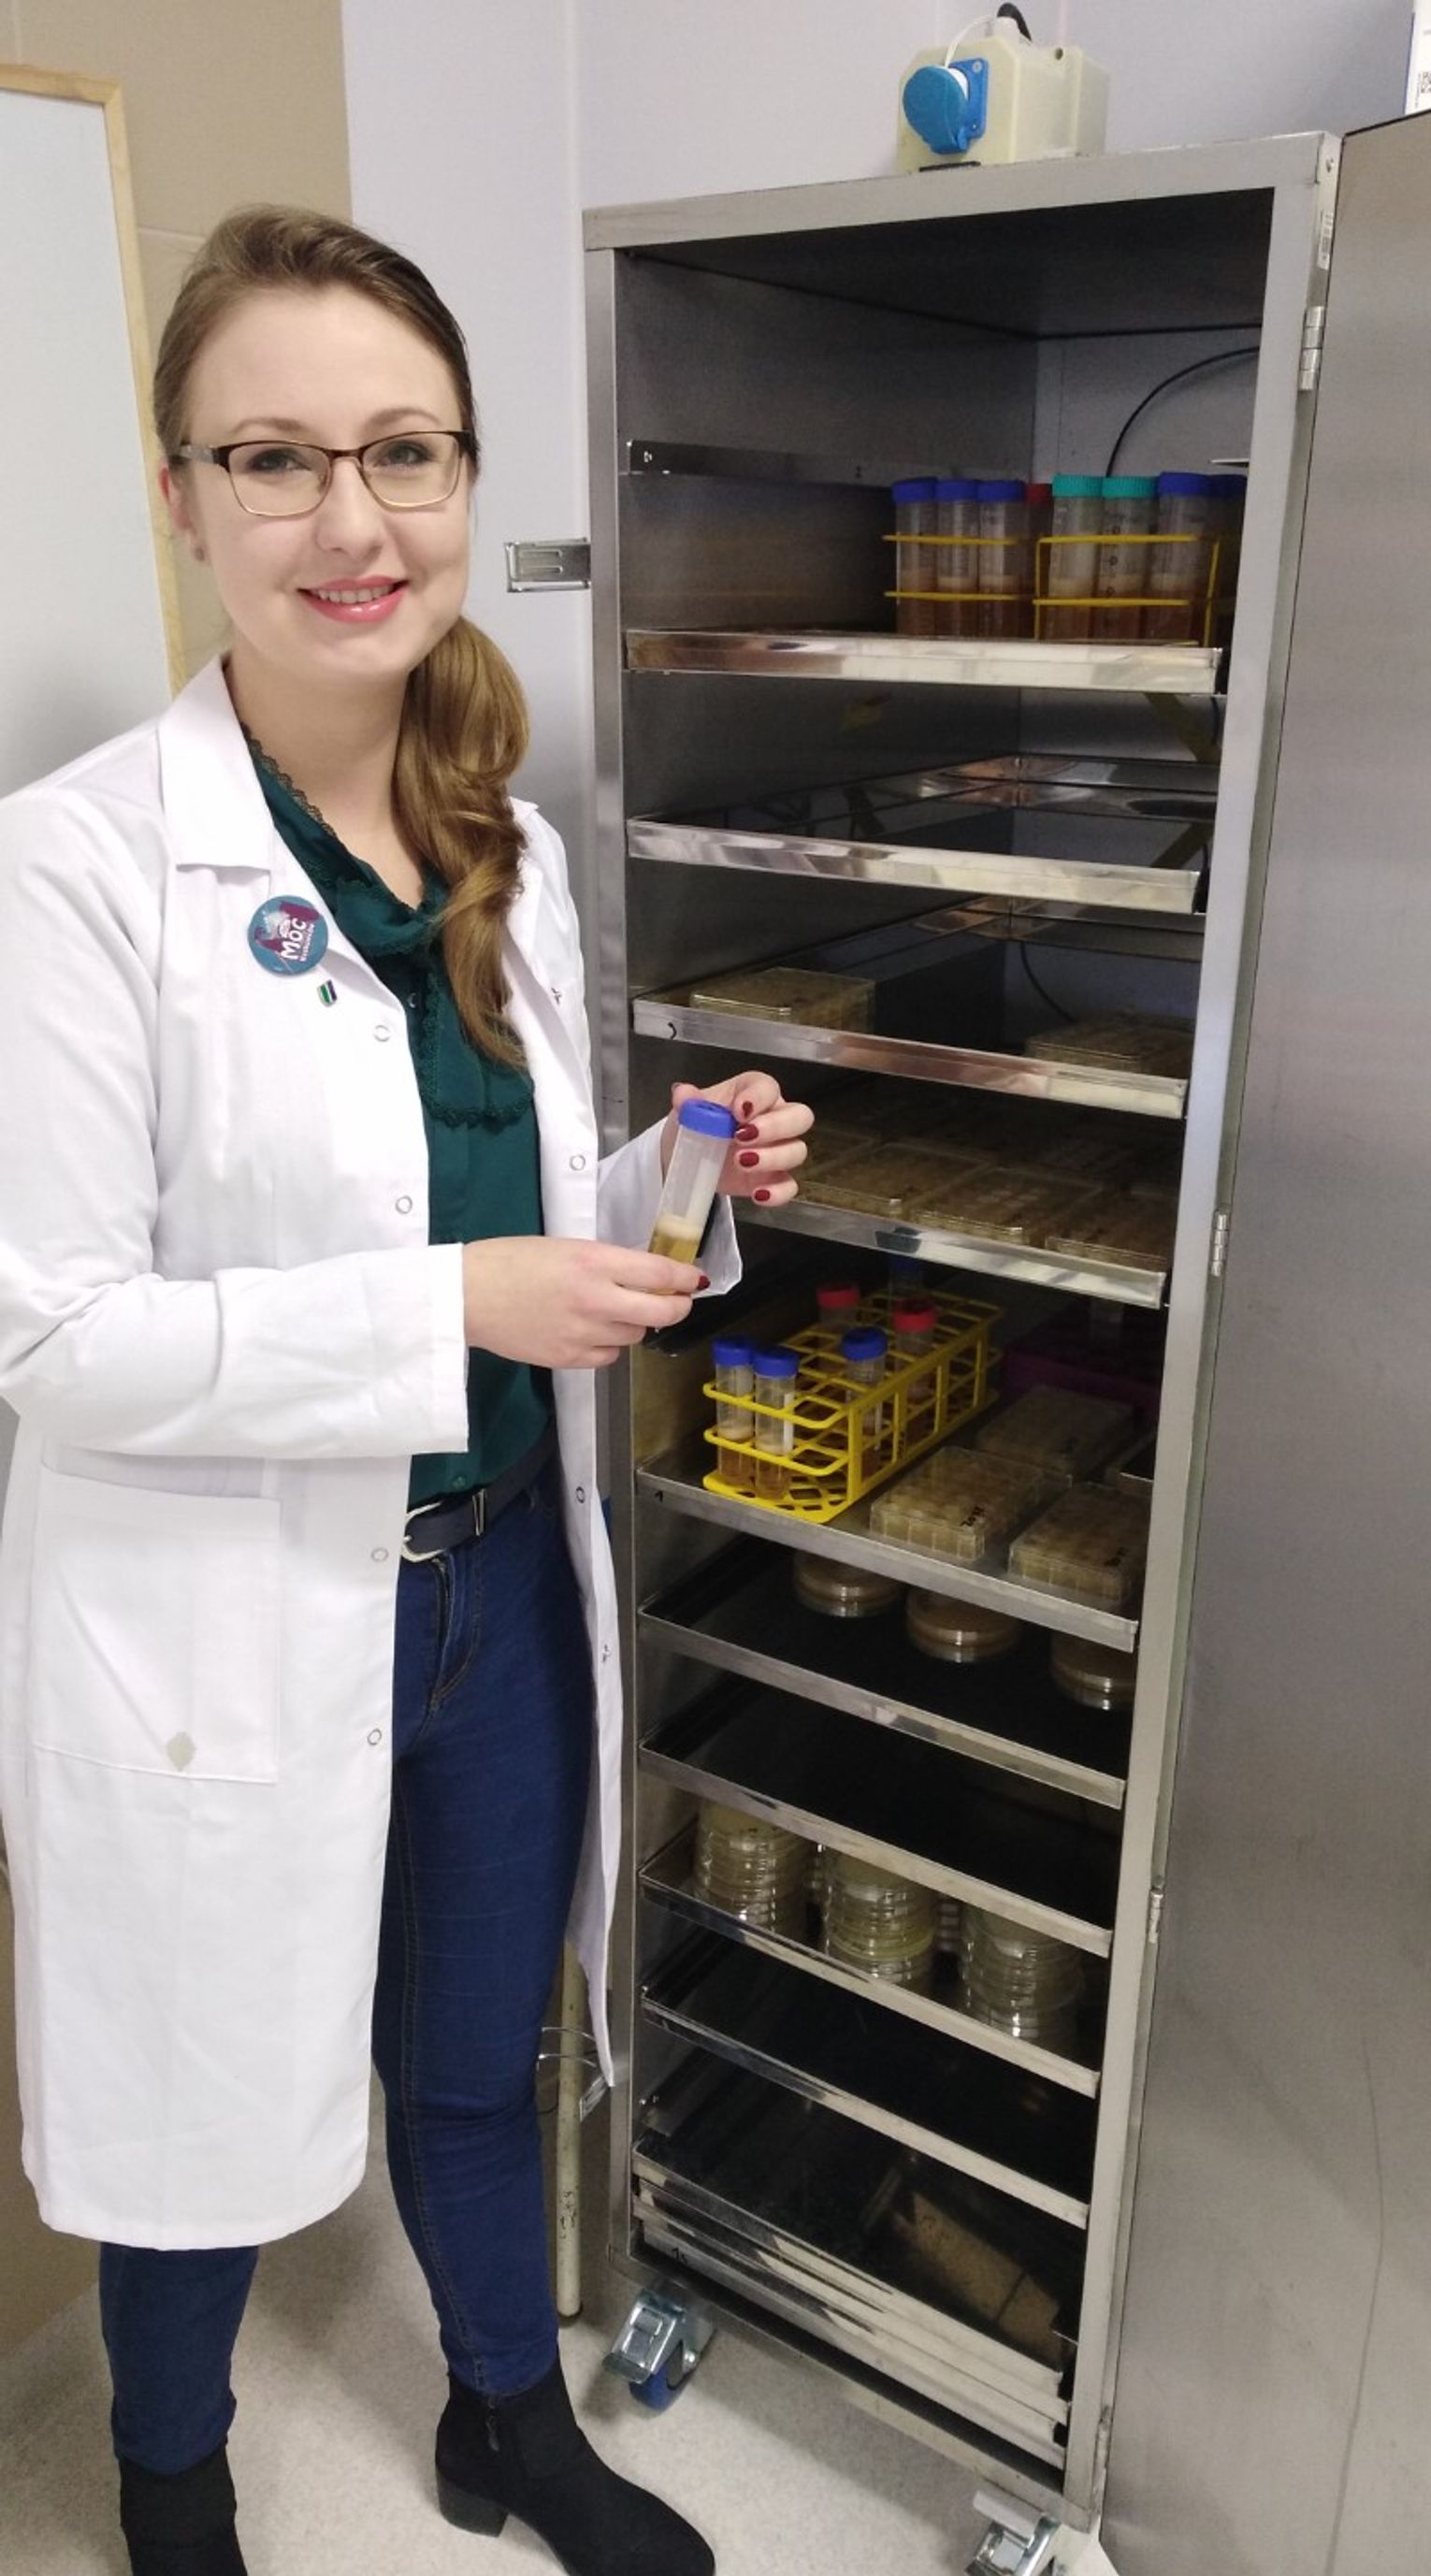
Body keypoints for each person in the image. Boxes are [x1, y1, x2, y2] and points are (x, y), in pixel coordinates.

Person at [0, 205, 813, 2576]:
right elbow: (55, 1335)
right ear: (183, 496)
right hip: (232, 1611)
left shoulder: (501, 844)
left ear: (465, 476)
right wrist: (461, 1299)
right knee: (198, 2112)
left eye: (405, 452)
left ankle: (502, 2424)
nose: (350, 520)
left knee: (473, 2055)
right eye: (276, 458)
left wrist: (678, 1180)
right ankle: (173, 2490)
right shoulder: (73, 871)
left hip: (493, 1593)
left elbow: (507, 1200)